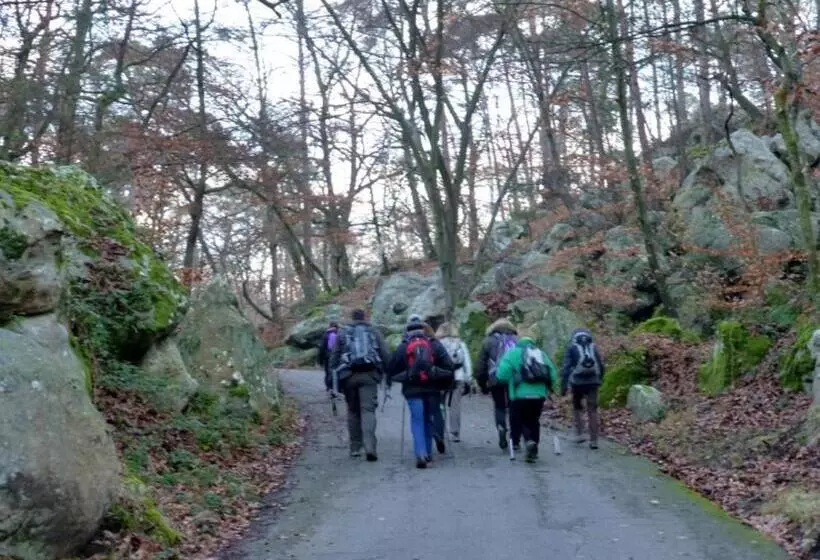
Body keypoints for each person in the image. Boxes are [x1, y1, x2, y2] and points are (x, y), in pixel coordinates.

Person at [388, 315, 455, 469]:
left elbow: (391, 369)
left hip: (412, 391)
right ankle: (428, 454)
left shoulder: (403, 346)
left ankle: (420, 453)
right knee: (428, 420)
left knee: (417, 420)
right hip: (432, 390)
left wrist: (407, 376)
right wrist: (436, 376)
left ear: (407, 331)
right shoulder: (434, 345)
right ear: (423, 329)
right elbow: (449, 367)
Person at [329, 309, 391, 461]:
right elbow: (385, 354)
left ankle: (355, 448)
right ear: (365, 317)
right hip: (370, 375)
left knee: (353, 411)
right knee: (368, 411)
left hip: (349, 377)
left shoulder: (343, 333)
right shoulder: (373, 331)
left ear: (352, 318)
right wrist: (388, 373)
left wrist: (332, 379)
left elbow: (334, 357)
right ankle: (370, 447)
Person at [494, 327, 557, 462]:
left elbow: (501, 374)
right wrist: (550, 388)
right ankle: (533, 444)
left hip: (518, 394)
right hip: (539, 395)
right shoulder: (541, 354)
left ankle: (520, 442)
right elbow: (552, 374)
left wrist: (508, 380)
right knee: (534, 420)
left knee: (518, 418)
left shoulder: (512, 353)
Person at [475, 318, 519, 451]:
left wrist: (482, 384)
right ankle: (515, 439)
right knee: (514, 406)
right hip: (513, 378)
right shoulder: (517, 340)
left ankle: (501, 426)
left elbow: (481, 365)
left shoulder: (488, 341)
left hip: (495, 378)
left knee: (499, 405)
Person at [560, 328, 605, 450]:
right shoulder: (593, 347)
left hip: (577, 383)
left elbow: (565, 368)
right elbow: (600, 365)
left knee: (577, 407)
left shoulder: (572, 348)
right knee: (592, 410)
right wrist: (599, 379)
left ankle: (580, 434)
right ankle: (594, 440)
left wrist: (563, 386)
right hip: (593, 382)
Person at [435, 322, 473, 443]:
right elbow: (467, 363)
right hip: (458, 377)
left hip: (441, 378)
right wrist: (469, 379)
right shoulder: (460, 344)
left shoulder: (437, 344)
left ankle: (440, 430)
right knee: (455, 405)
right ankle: (455, 433)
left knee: (440, 404)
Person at [317, 321, 339, 392]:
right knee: (337, 371)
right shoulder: (339, 334)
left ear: (329, 326)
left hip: (328, 357)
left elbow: (321, 348)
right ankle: (337, 387)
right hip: (337, 357)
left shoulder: (325, 335)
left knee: (328, 372)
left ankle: (329, 387)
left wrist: (320, 360)